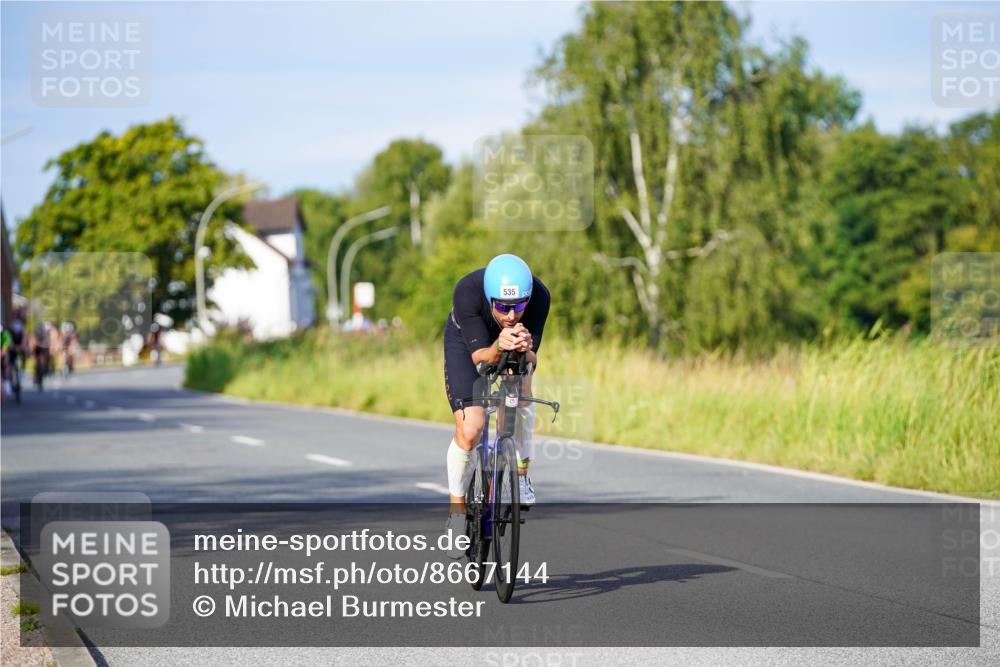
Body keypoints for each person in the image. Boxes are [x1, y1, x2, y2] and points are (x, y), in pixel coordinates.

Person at [442, 254, 550, 558]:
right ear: (490, 298)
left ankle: (521, 472)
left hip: (510, 345)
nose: (512, 314)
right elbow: (480, 359)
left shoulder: (539, 297)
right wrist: (501, 344)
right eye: (503, 306)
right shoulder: (467, 292)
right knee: (472, 429)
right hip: (469, 345)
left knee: (522, 394)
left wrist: (525, 350)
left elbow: (532, 362)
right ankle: (457, 511)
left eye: (519, 306)